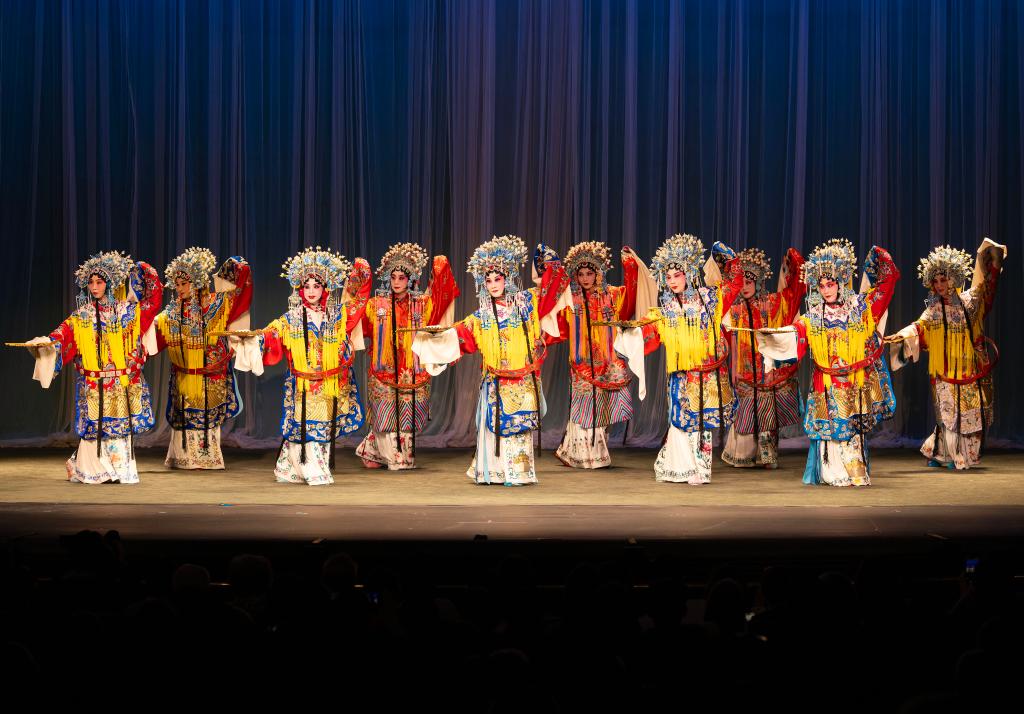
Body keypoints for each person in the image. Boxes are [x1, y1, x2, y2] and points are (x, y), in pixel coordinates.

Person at [413, 236, 570, 485]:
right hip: (495, 381)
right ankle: (494, 472)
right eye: (488, 280)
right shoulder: (481, 316)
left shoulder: (528, 302)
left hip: (523, 379)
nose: (494, 285)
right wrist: (429, 339)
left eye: (498, 279)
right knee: (493, 426)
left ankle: (519, 473)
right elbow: (459, 336)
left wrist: (544, 256)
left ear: (508, 278)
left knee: (520, 427)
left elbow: (554, 284)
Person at [756, 239, 899, 487]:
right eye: (821, 286)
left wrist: (881, 258)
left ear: (841, 281)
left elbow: (886, 287)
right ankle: (833, 473)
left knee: (853, 428)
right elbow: (796, 333)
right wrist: (776, 335)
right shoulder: (813, 315)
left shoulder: (860, 308)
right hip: (827, 383)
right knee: (830, 430)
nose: (825, 290)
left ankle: (856, 471)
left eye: (830, 284)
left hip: (854, 382)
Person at [234, 247, 371, 485]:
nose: (311, 291)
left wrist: (361, 270)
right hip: (303, 385)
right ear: (299, 289)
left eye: (316, 286)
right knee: (303, 426)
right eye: (306, 286)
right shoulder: (291, 318)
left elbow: (359, 299)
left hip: (328, 384)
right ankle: (311, 470)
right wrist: (255, 339)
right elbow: (271, 334)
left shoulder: (337, 316)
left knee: (322, 427)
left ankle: (291, 469)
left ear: (325, 288)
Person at [23, 251, 162, 483]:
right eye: (91, 282)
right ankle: (90, 469)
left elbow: (153, 301)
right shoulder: (82, 316)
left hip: (120, 383)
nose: (94, 287)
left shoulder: (128, 312)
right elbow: (63, 335)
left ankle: (119, 471)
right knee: (93, 428)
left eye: (99, 282)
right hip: (94, 384)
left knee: (119, 428)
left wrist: (145, 270)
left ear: (110, 283)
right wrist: (48, 343)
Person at [628, 234, 743, 484]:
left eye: (677, 275)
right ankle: (677, 467)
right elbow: (650, 333)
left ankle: (699, 469)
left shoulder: (710, 298)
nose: (672, 281)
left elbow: (734, 284)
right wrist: (631, 333)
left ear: (689, 273)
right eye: (668, 277)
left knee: (702, 423)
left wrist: (729, 259)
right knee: (680, 420)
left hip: (706, 373)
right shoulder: (665, 307)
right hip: (681, 374)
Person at [886, 239, 1005, 470]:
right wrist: (900, 336)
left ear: (955, 278)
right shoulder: (933, 310)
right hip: (945, 371)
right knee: (949, 417)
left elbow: (989, 289)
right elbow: (918, 328)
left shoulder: (971, 301)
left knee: (969, 414)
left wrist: (995, 264)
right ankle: (949, 455)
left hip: (970, 368)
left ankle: (954, 454)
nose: (940, 285)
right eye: (936, 281)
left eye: (944, 279)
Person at [355, 242, 459, 470]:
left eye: (402, 278)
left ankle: (377, 450)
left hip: (413, 370)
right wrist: (356, 284)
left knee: (408, 415)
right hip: (384, 370)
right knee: (386, 415)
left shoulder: (422, 304)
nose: (396, 282)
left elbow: (442, 296)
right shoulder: (376, 305)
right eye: (393, 277)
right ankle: (392, 455)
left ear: (410, 279)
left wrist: (440, 265)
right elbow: (356, 322)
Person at [148, 248, 253, 469]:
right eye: (177, 284)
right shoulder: (172, 312)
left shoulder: (217, 304)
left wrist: (234, 265)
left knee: (208, 416)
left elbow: (239, 289)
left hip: (210, 374)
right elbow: (155, 326)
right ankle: (182, 458)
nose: (179, 288)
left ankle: (208, 459)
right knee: (185, 415)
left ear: (196, 282)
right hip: (185, 374)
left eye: (184, 283)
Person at [550, 242, 639, 468]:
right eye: (580, 274)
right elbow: (555, 321)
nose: (585, 278)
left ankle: (592, 452)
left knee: (603, 407)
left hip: (607, 361)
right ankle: (582, 455)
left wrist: (630, 266)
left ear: (598, 273)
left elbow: (630, 300)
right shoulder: (570, 299)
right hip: (581, 362)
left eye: (589, 273)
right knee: (584, 408)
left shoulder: (612, 295)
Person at [721, 247, 805, 469]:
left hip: (768, 373)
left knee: (768, 415)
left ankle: (767, 455)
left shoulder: (774, 303)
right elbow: (727, 335)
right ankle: (743, 455)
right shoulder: (734, 309)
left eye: (750, 282)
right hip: (745, 372)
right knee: (746, 414)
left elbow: (794, 293)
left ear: (758, 282)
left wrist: (794, 263)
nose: (745, 287)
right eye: (742, 282)